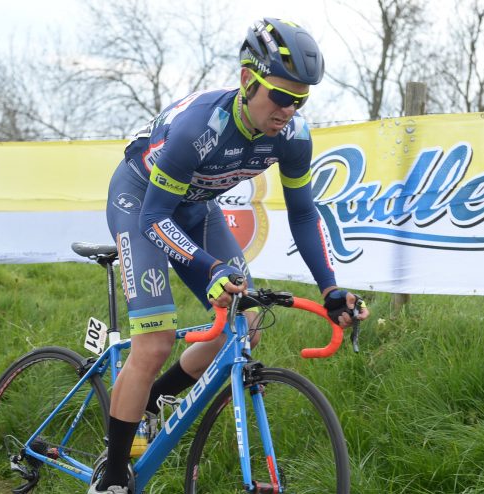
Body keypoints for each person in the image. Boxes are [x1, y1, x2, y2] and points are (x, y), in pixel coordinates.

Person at [91, 17, 370, 493]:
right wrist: (209, 266)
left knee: (248, 325)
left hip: (196, 206)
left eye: (300, 99)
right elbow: (155, 219)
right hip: (141, 202)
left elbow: (304, 217)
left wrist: (331, 288)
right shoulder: (199, 128)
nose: (288, 110)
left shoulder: (293, 137)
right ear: (247, 81)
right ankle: (113, 473)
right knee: (155, 343)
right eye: (280, 96)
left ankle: (154, 401)